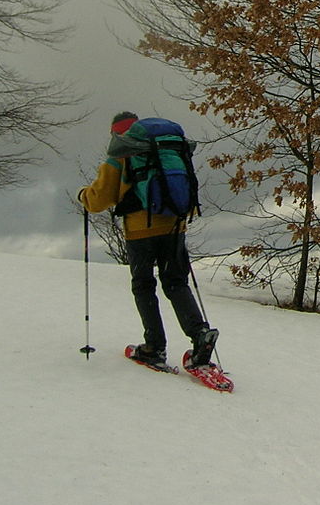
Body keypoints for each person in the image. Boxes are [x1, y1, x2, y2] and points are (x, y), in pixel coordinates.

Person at [79, 111, 218, 369]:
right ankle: (200, 335)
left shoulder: (121, 154)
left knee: (143, 286)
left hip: (141, 231)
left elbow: (99, 199)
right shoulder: (165, 148)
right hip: (175, 225)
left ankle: (154, 347)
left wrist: (83, 196)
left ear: (115, 132)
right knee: (176, 283)